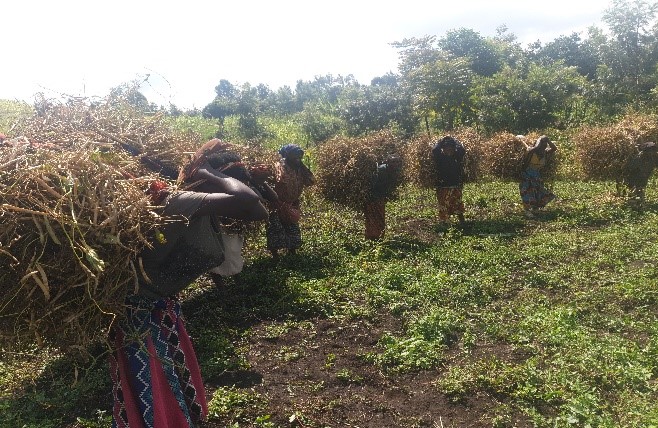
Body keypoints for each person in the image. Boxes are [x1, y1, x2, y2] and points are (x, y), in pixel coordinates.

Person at [109, 139, 268, 428]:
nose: (229, 186)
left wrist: (214, 175)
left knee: (171, 376)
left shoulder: (198, 207)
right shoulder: (178, 201)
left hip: (162, 307)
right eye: (226, 180)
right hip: (137, 313)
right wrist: (209, 172)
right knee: (151, 382)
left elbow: (259, 211)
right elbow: (247, 200)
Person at [266, 144, 315, 258]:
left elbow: (311, 182)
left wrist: (303, 166)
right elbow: (275, 181)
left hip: (292, 203)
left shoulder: (300, 168)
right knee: (275, 229)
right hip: (277, 204)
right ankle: (275, 255)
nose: (298, 158)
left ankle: (292, 252)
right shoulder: (279, 167)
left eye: (299, 156)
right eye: (295, 155)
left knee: (292, 229)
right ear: (287, 156)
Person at [364, 154, 403, 240]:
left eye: (397, 162)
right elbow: (372, 185)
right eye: (393, 162)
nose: (395, 164)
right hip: (372, 198)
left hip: (380, 197)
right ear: (387, 162)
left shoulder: (395, 171)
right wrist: (374, 197)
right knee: (372, 217)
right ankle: (372, 237)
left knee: (380, 217)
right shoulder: (381, 171)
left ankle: (378, 236)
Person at [519, 135, 557, 219]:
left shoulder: (545, 152)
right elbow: (535, 148)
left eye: (544, 145)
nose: (543, 147)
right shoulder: (531, 151)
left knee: (538, 193)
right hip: (527, 175)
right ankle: (527, 211)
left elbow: (554, 148)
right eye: (541, 145)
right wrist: (540, 139)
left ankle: (535, 209)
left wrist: (548, 140)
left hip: (536, 176)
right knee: (527, 192)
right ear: (538, 144)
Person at [432, 136, 466, 226]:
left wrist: (455, 140)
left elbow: (462, 150)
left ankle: (462, 221)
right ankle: (444, 223)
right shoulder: (440, 158)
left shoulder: (457, 157)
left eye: (451, 148)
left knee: (458, 203)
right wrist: (441, 141)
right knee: (443, 205)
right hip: (443, 186)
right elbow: (435, 150)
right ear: (443, 149)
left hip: (456, 185)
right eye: (447, 148)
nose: (449, 149)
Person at [622, 141, 658, 207]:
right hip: (633, 178)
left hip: (643, 178)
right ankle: (633, 206)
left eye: (653, 150)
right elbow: (630, 169)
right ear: (645, 151)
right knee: (633, 192)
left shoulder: (654, 157)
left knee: (640, 190)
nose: (651, 152)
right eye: (650, 150)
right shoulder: (639, 158)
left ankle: (640, 205)